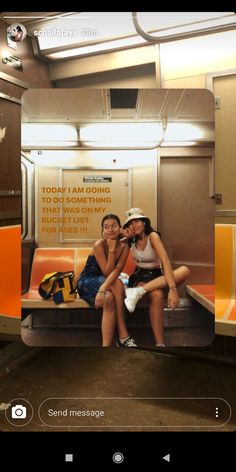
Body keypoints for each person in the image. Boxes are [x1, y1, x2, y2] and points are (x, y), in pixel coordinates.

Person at [122, 208, 190, 347]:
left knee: (184, 270)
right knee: (158, 295)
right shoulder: (130, 240)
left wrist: (172, 289)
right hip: (139, 275)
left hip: (157, 275)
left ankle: (137, 292)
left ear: (144, 222)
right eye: (130, 223)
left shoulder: (153, 236)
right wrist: (124, 235)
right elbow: (110, 240)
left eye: (136, 221)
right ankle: (160, 343)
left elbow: (165, 260)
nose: (133, 225)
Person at [77, 214, 137, 348]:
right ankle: (123, 336)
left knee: (109, 298)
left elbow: (117, 270)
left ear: (120, 228)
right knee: (117, 283)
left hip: (107, 282)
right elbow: (107, 271)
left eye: (114, 226)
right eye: (106, 227)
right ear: (102, 231)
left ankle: (106, 346)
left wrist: (104, 288)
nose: (110, 230)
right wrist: (111, 249)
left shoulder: (125, 245)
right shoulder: (99, 244)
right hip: (88, 281)